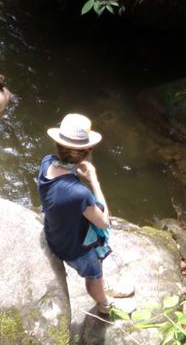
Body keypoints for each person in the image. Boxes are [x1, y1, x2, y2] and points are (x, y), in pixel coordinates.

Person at [36, 113, 124, 318]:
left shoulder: (47, 162)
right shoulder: (79, 193)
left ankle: (102, 286)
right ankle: (103, 303)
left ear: (58, 145)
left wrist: (77, 175)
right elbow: (104, 222)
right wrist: (94, 182)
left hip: (54, 233)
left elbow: (63, 191)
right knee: (94, 275)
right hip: (75, 249)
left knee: (96, 272)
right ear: (87, 151)